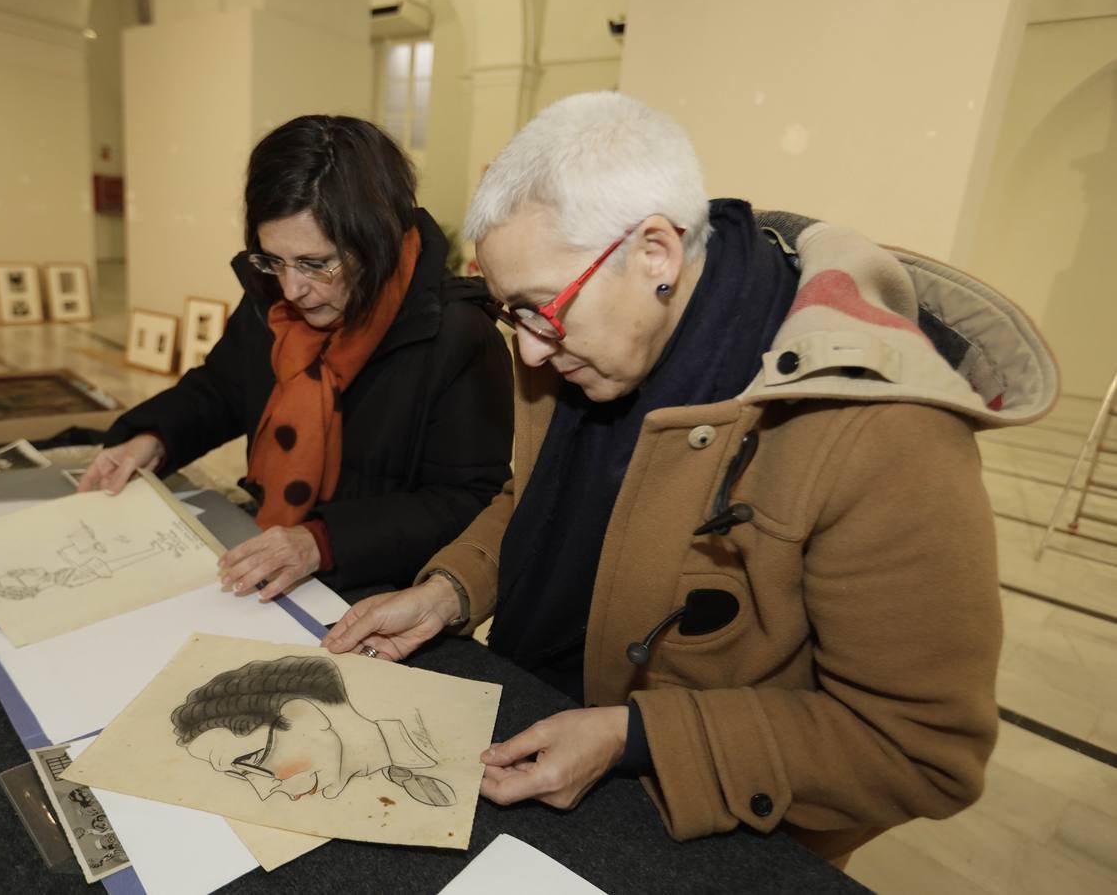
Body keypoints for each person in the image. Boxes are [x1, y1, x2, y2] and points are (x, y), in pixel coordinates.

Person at [324, 92, 1057, 862]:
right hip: (538, 733)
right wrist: (450, 590)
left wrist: (635, 737)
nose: (531, 352)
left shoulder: (883, 432)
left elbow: (917, 750)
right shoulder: (579, 346)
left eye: (542, 310)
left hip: (713, 832)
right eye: (514, 315)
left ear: (655, 254)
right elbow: (536, 502)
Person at [79, 116, 513, 601]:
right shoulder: (275, 298)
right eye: (273, 260)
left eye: (314, 263)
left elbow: (468, 502)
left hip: (378, 593)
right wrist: (155, 439)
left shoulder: (457, 336)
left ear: (377, 242)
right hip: (268, 557)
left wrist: (321, 541)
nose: (291, 289)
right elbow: (224, 387)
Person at [173, 655, 455, 806]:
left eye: (250, 761)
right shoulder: (389, 775)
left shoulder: (434, 728)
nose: (263, 793)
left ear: (303, 713)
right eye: (241, 774)